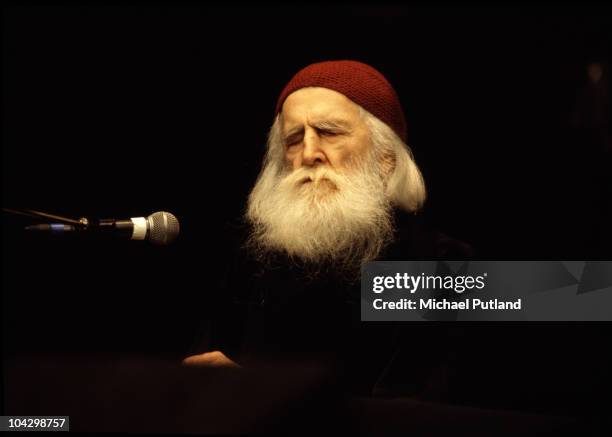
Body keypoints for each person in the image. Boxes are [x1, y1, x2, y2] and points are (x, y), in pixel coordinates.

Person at [183, 60, 472, 395]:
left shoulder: (440, 265)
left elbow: (419, 414)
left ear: (386, 156)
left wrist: (261, 396)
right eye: (293, 139)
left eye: (329, 132)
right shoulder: (250, 267)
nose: (308, 153)